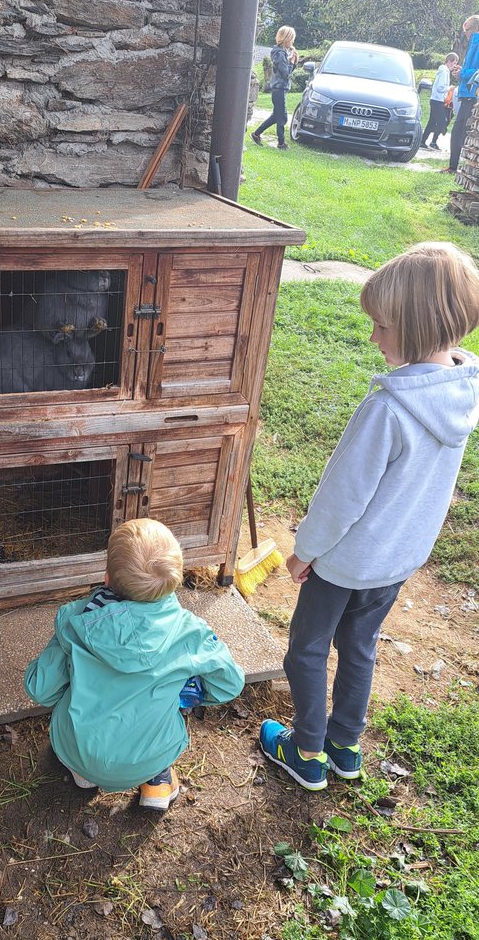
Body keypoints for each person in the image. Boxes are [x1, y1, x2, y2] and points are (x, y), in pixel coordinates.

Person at [259, 242, 479, 792]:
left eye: (381, 326)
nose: (373, 336)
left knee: (307, 648)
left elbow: (341, 498)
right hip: (399, 559)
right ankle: (345, 746)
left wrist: (305, 550)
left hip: (344, 563)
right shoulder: (461, 392)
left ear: (415, 325)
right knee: (360, 646)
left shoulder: (387, 409)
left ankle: (306, 751)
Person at [24, 518, 245, 810]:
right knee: (162, 718)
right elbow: (230, 684)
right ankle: (157, 782)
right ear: (175, 580)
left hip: (79, 750)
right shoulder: (191, 633)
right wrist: (186, 691)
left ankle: (83, 776)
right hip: (147, 757)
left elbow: (40, 689)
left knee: (79, 732)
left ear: (107, 578)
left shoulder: (77, 621)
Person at [251, 26, 298, 150]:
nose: (293, 42)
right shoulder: (279, 53)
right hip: (279, 88)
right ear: (287, 39)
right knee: (282, 117)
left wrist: (292, 61)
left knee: (276, 116)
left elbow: (285, 69)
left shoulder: (280, 53)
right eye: (292, 39)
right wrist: (292, 62)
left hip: (279, 88)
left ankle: (256, 134)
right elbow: (286, 73)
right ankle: (281, 143)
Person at [443, 14, 479, 173]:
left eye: (467, 30)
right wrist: (460, 73)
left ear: (476, 28)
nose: (465, 33)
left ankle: (458, 167)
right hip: (466, 94)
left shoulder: (477, 43)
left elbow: (476, 72)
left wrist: (462, 73)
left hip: (473, 96)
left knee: (462, 133)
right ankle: (453, 166)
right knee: (458, 132)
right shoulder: (472, 43)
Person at [421, 53, 459, 149]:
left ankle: (423, 140)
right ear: (449, 61)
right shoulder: (444, 72)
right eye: (454, 63)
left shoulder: (444, 71)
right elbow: (440, 87)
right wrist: (449, 88)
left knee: (432, 122)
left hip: (436, 99)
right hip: (437, 100)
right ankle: (433, 142)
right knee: (443, 122)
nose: (455, 65)